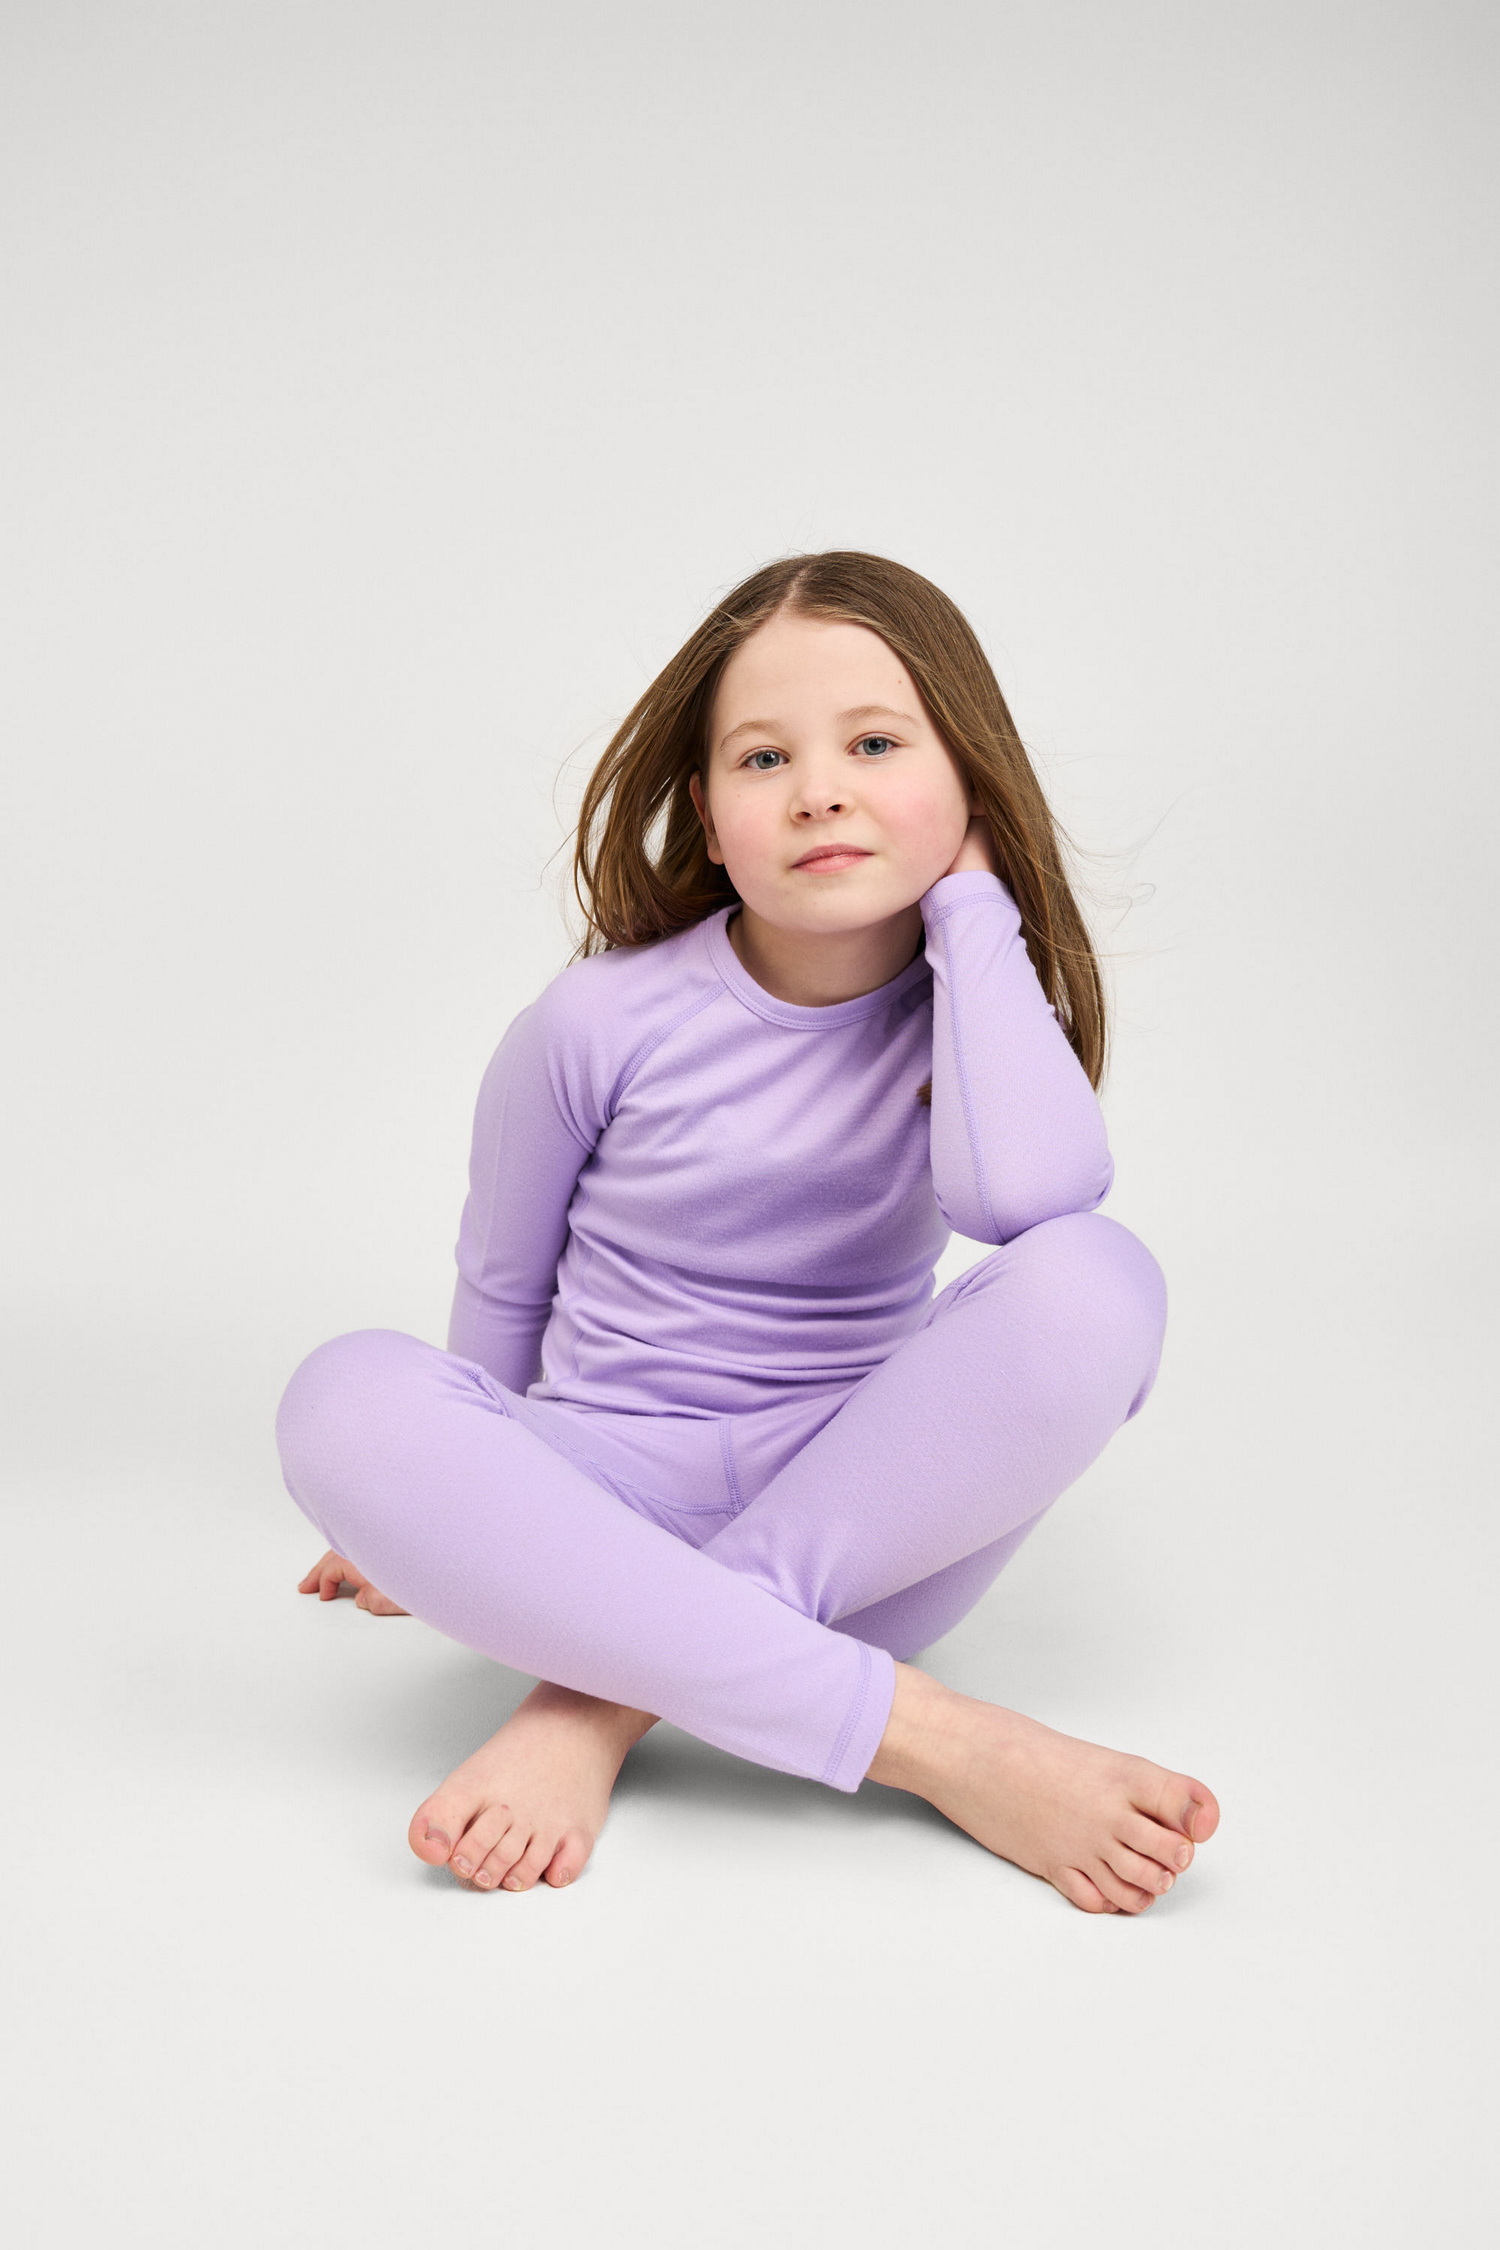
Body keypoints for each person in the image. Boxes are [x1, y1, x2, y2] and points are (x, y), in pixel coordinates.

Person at [276, 550, 1220, 1912]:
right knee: (342, 1398)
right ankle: (935, 1741)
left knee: (1101, 1275)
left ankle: (599, 1696)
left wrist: (972, 910)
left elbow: (1026, 1206)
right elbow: (502, 1280)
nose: (819, 789)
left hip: (858, 1528)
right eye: (764, 758)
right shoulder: (598, 1020)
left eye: (876, 744)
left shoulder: (976, 1017)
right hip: (598, 1488)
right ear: (711, 822)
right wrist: (447, 1508)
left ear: (972, 780)